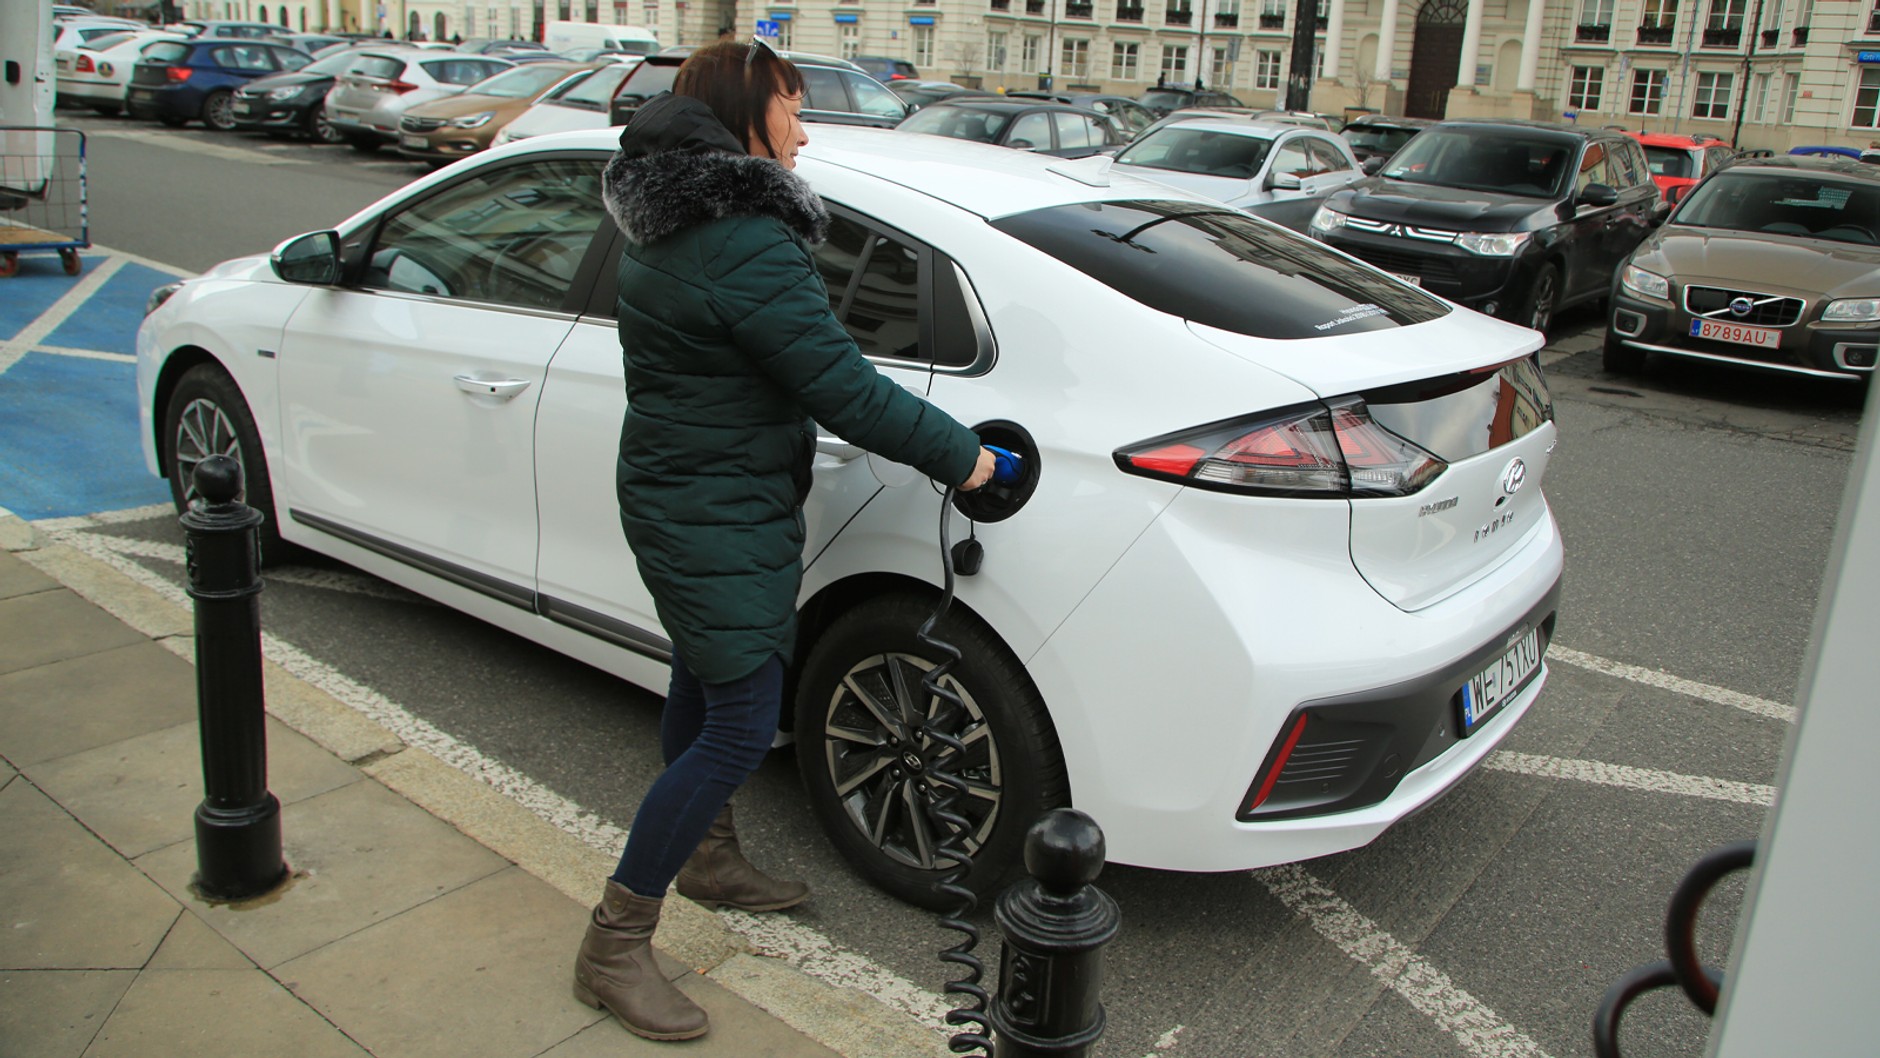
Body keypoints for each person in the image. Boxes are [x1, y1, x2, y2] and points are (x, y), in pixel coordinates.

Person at [576, 40, 999, 1042]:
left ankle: (709, 856)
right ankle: (612, 943)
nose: (804, 131)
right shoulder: (745, 241)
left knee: (703, 680)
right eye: (791, 108)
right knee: (738, 718)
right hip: (714, 502)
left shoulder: (673, 219)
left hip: (690, 490)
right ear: (743, 113)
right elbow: (840, 384)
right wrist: (965, 459)